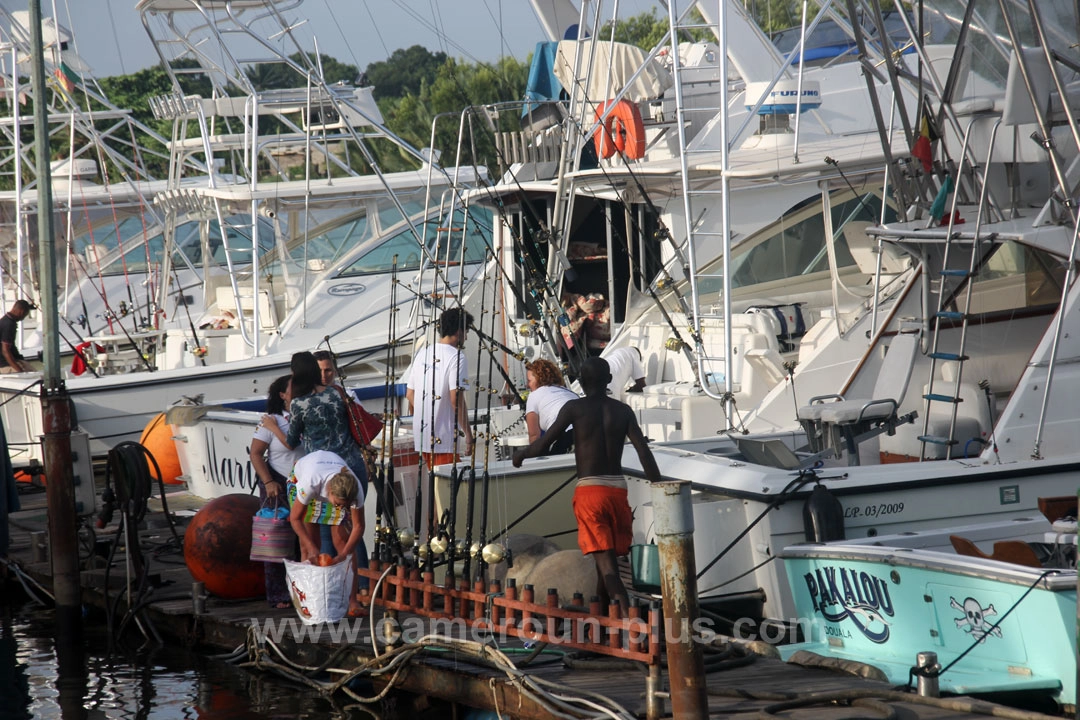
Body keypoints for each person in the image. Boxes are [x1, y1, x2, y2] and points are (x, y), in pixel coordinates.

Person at [513, 357, 661, 612]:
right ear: (610, 380)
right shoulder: (622, 411)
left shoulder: (575, 409)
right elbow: (644, 454)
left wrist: (521, 455)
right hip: (618, 490)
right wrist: (659, 488)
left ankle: (632, 624)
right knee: (606, 561)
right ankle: (600, 630)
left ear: (580, 381)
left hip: (591, 493)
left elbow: (541, 445)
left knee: (608, 568)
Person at [287, 450, 366, 617]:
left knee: (344, 543)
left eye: (346, 505)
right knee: (309, 545)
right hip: (300, 479)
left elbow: (359, 526)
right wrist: (312, 547)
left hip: (336, 487)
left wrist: (344, 554)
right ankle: (309, 601)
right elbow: (294, 519)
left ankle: (352, 600)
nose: (342, 508)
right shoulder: (310, 483)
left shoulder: (355, 488)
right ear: (329, 492)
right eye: (338, 504)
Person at [252, 374, 301, 608]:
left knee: (304, 539)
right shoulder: (271, 421)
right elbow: (255, 453)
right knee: (277, 541)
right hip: (278, 482)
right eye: (294, 388)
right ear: (282, 395)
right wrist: (269, 481)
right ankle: (278, 594)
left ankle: (301, 590)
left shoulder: (307, 415)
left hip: (304, 484)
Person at [405, 307, 474, 468]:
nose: (466, 337)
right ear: (458, 332)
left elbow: (410, 394)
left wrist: (429, 412)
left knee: (435, 485)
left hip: (423, 439)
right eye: (466, 332)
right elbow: (455, 400)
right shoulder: (457, 357)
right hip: (444, 439)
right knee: (449, 489)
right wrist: (469, 435)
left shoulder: (422, 354)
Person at [524, 359, 578, 453]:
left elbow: (534, 435)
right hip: (588, 432)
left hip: (566, 436)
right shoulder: (569, 392)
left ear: (539, 378)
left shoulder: (534, 395)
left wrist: (533, 458)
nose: (527, 385)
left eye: (529, 381)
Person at [0, 301, 33, 374]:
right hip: (5, 365)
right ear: (21, 311)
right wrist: (19, 370)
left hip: (13, 361)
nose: (23, 318)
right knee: (36, 377)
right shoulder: (8, 324)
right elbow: (5, 350)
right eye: (24, 315)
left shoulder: (6, 320)